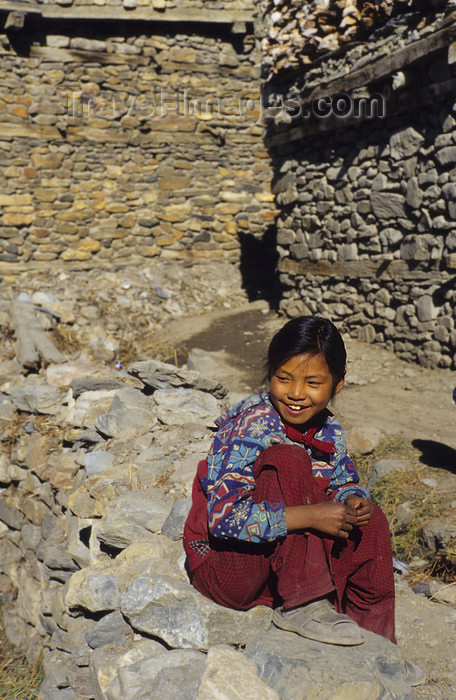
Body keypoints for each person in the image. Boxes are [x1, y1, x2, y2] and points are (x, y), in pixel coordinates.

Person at [183, 316, 424, 685]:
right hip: (228, 571)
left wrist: (352, 498)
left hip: (273, 571)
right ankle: (304, 605)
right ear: (270, 375)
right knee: (288, 458)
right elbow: (223, 518)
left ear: (337, 385)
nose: (296, 393)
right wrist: (310, 515)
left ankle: (376, 644)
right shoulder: (254, 425)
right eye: (284, 378)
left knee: (371, 520)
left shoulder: (328, 428)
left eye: (313, 383)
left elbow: (342, 477)